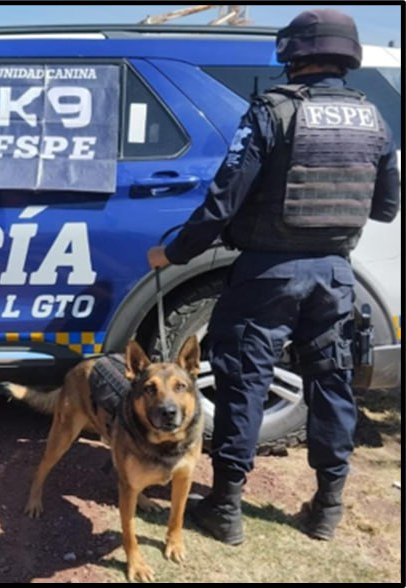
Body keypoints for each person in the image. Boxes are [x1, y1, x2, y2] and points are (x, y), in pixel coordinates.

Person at [147, 9, 399, 544]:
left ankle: (226, 507)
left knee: (243, 383)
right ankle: (327, 508)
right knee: (331, 385)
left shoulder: (273, 111)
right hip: (334, 275)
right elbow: (385, 208)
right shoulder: (372, 117)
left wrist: (174, 253)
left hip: (268, 274)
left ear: (293, 52)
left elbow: (224, 200)